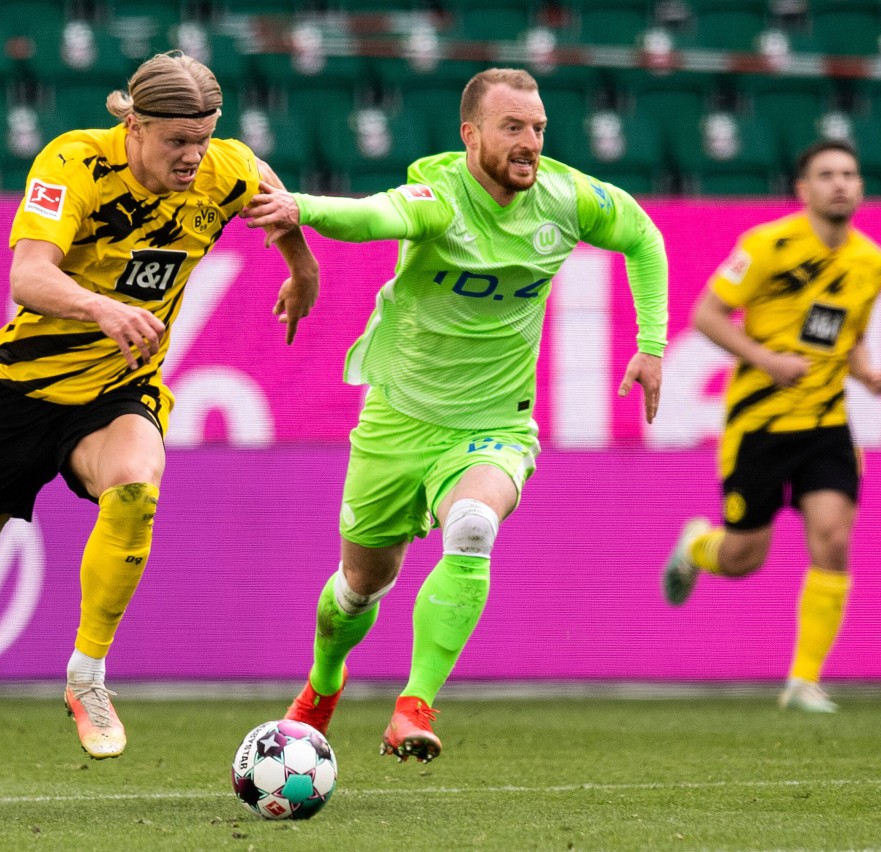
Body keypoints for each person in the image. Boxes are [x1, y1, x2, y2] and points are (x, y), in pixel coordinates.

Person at [0, 51, 319, 800]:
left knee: (137, 483)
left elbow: (272, 195)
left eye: (203, 137)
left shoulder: (222, 168)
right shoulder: (74, 162)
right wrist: (102, 307)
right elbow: (27, 275)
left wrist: (301, 267)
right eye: (176, 141)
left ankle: (87, 676)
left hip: (116, 391)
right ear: (133, 126)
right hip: (20, 396)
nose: (192, 155)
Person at [241, 68, 668, 763]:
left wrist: (651, 345)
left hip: (494, 424)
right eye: (512, 129)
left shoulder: (567, 197)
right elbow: (376, 215)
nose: (530, 143)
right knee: (358, 588)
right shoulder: (440, 195)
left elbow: (643, 237)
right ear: (470, 134)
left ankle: (414, 707)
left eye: (537, 129)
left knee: (472, 526)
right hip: (397, 421)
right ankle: (323, 685)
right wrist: (304, 210)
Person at [661, 139, 881, 713]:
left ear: (860, 187)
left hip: (826, 422)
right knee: (744, 557)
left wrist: (865, 373)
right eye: (827, 174)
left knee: (834, 540)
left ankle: (803, 682)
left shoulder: (872, 262)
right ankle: (696, 547)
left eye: (849, 173)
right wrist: (767, 361)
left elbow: (847, 330)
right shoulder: (767, 245)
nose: (840, 183)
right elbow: (706, 316)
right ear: (804, 189)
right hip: (759, 423)